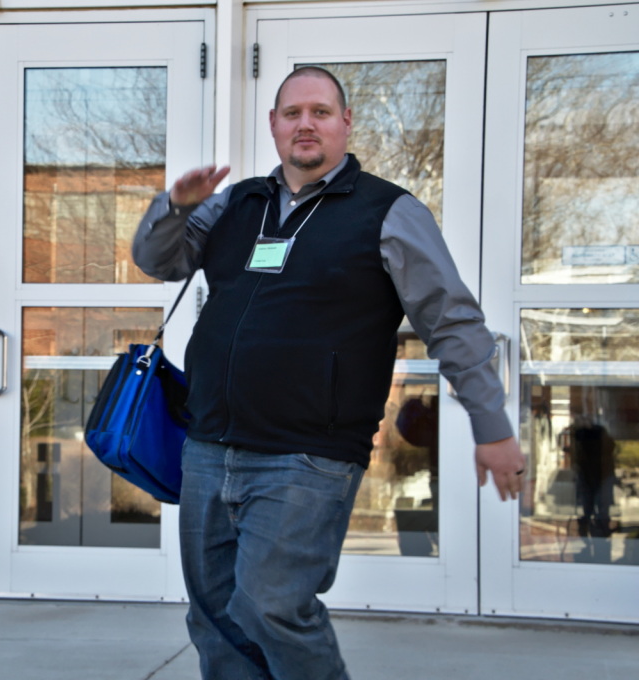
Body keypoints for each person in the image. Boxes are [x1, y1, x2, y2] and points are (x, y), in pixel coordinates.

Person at [132, 66, 526, 680]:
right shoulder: (236, 203)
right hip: (209, 445)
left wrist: (491, 425)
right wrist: (174, 208)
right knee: (214, 619)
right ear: (273, 124)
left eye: (320, 112)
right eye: (292, 113)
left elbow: (452, 321)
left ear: (345, 122)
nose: (305, 124)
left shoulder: (389, 211)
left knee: (271, 606)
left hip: (308, 455)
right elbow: (159, 261)